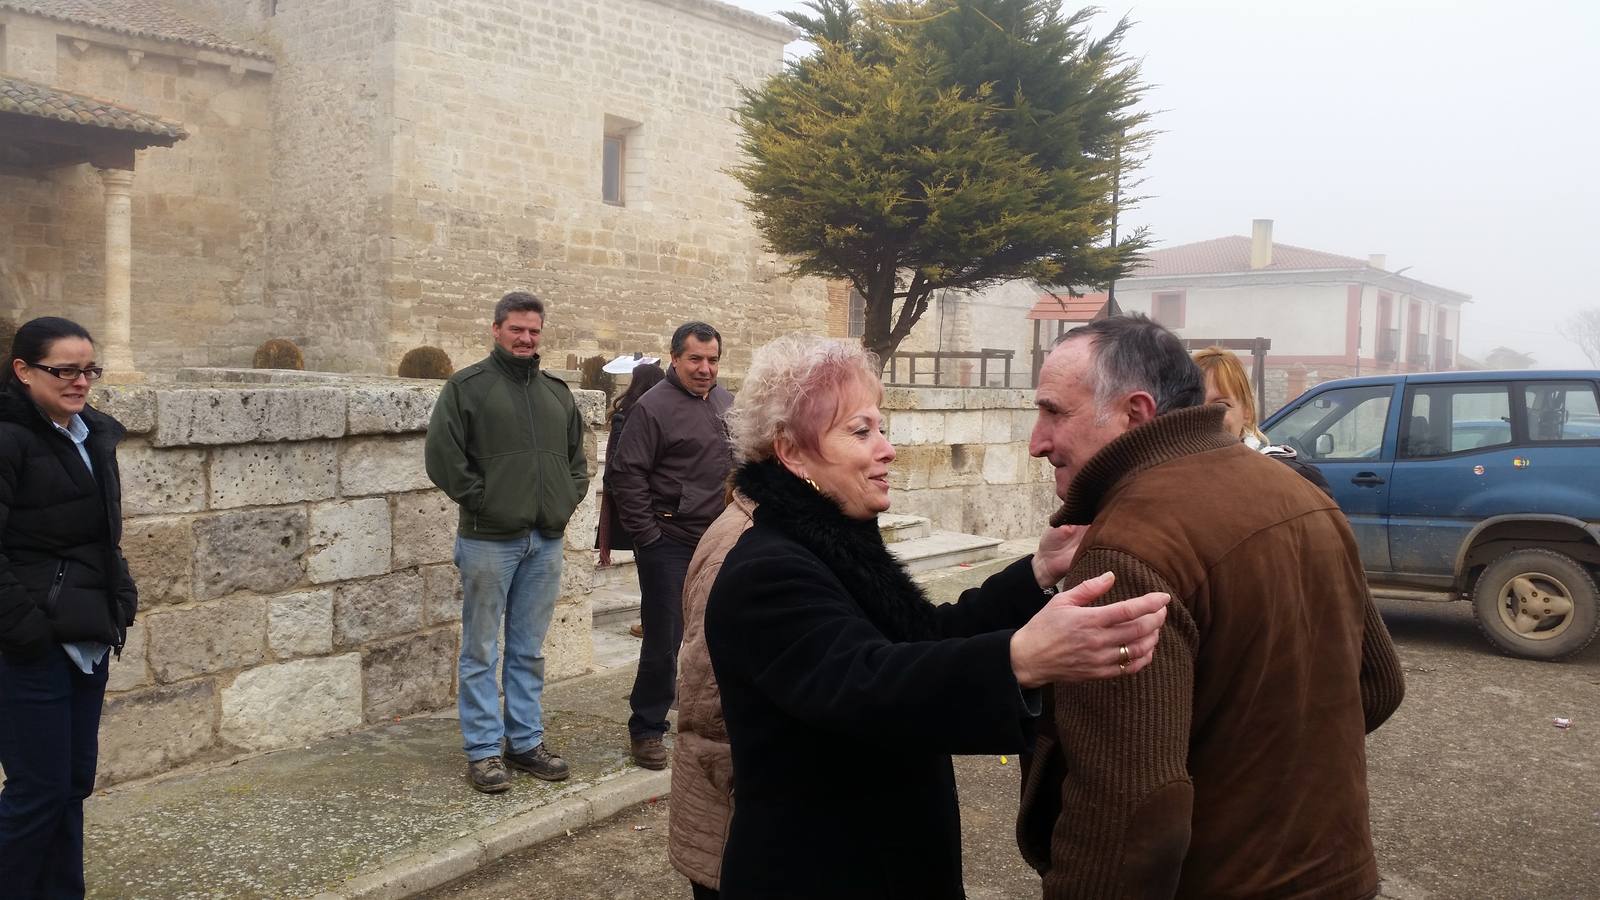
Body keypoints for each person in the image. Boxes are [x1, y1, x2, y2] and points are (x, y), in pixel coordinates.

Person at [703, 334, 1172, 899]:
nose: (886, 449)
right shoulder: (767, 571)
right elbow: (865, 683)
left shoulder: (837, 546)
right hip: (822, 869)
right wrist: (1018, 660)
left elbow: (925, 640)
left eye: (882, 427)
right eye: (860, 431)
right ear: (792, 452)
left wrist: (1037, 572)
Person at [1017, 315, 1406, 899]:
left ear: (1136, 413)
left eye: (1054, 412)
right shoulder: (1300, 493)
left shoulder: (1127, 548)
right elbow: (1376, 685)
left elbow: (1127, 807)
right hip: (1338, 875)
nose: (1037, 442)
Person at [424, 291, 589, 793]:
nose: (526, 338)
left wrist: (562, 502)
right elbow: (443, 457)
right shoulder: (467, 387)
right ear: (496, 329)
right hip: (488, 540)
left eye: (534, 330)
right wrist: (486, 503)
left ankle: (524, 742)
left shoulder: (557, 393)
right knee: (480, 648)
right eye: (517, 329)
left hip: (545, 540)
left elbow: (578, 462)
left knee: (528, 649)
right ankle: (482, 751)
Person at [0, 316, 138, 898]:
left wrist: (121, 591)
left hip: (85, 634)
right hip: (31, 643)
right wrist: (26, 628)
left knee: (72, 784)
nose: (81, 382)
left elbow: (98, 536)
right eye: (65, 370)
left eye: (89, 370)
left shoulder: (91, 434)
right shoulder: (9, 438)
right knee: (37, 792)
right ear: (24, 370)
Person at [607, 322, 733, 771]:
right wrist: (648, 537)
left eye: (713, 359)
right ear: (675, 358)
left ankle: (712, 718)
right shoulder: (652, 407)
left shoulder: (725, 402)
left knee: (721, 632)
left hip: (718, 538)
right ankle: (646, 727)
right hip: (669, 541)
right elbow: (627, 474)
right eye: (696, 359)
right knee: (665, 638)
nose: (705, 369)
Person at [1193, 345, 1333, 494]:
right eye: (1192, 404)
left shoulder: (1292, 480)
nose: (1205, 415)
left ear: (1247, 412)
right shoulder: (1169, 480)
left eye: (1221, 404)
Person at [595, 361, 666, 639]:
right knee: (651, 569)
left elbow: (616, 467)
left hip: (648, 505)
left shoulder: (630, 413)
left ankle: (653, 622)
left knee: (651, 572)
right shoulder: (633, 415)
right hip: (645, 505)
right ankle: (652, 623)